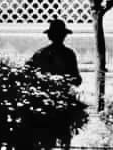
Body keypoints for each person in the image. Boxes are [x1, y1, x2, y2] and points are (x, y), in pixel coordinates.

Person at [29, 19, 82, 149]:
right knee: (59, 137)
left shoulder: (42, 54)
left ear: (49, 36)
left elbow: (76, 79)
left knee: (51, 138)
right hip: (55, 102)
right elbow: (77, 79)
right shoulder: (65, 54)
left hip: (51, 102)